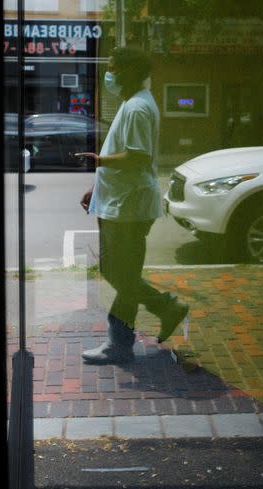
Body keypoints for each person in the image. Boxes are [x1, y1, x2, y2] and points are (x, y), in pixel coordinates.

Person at [76, 46, 189, 365]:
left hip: (129, 207)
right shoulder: (132, 103)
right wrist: (95, 186)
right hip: (118, 203)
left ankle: (144, 325)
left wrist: (99, 161)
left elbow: (138, 156)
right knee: (120, 273)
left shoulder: (138, 108)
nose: (108, 74)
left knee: (121, 275)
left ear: (128, 72)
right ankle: (126, 339)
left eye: (113, 68)